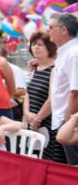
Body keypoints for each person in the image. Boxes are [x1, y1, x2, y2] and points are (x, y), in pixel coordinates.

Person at [20, 30, 65, 162]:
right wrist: (26, 113)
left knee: (51, 161)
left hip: (48, 123)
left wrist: (37, 119)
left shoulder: (55, 69)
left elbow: (53, 99)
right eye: (33, 44)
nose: (35, 47)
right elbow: (27, 93)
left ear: (49, 47)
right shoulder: (34, 67)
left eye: (40, 44)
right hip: (34, 122)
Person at [48, 12, 78, 164]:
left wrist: (69, 122)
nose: (48, 32)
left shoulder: (74, 53)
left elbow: (76, 92)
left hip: (70, 122)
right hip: (63, 119)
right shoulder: (65, 53)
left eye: (51, 27)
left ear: (64, 30)